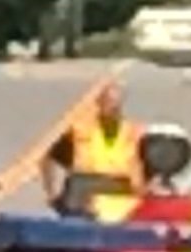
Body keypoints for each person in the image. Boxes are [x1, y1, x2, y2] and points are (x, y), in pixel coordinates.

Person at [48, 82, 147, 213]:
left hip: (121, 197)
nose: (113, 107)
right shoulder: (80, 130)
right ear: (98, 104)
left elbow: (150, 167)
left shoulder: (135, 132)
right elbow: (49, 157)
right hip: (83, 195)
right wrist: (52, 193)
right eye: (108, 102)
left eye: (116, 103)